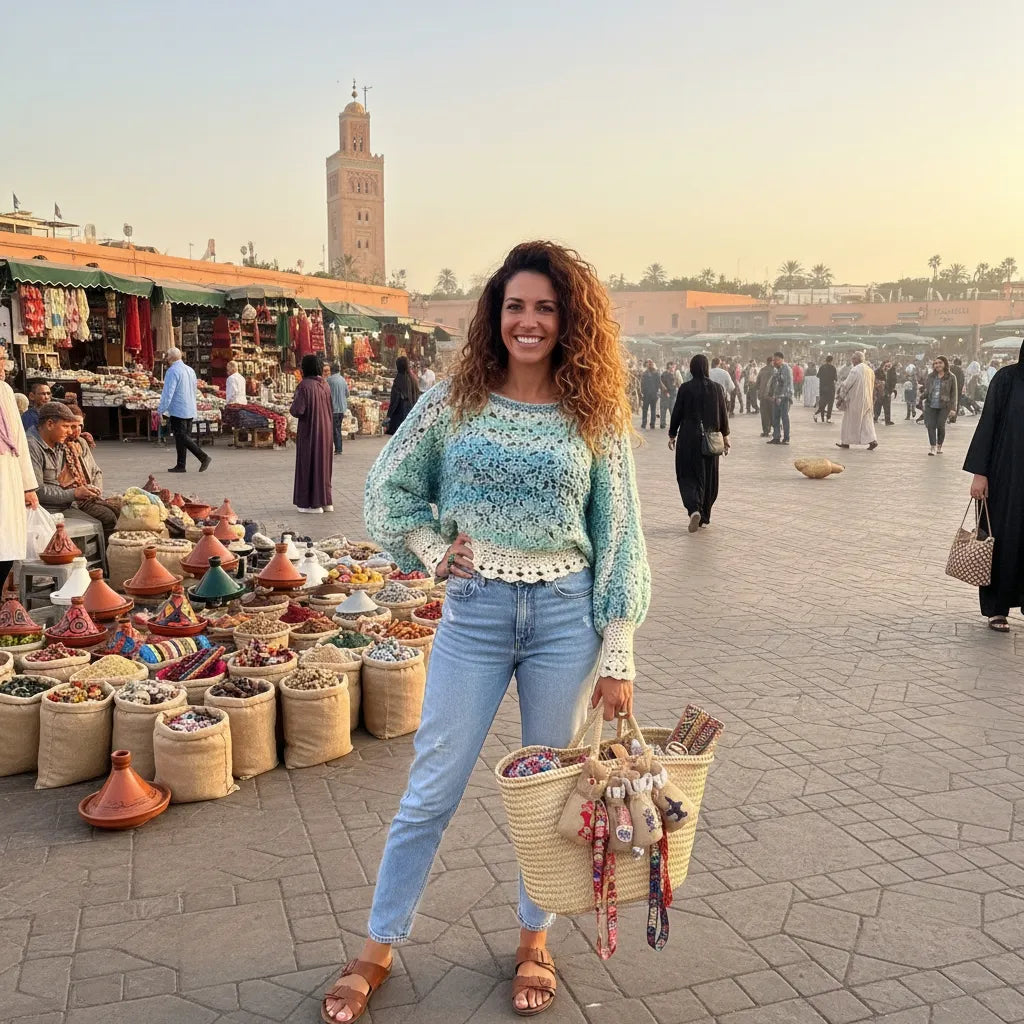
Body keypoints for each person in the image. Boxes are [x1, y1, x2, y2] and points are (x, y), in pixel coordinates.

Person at [334, 241, 650, 1023]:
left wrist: (619, 648)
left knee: (547, 795)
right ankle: (378, 945)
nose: (530, 321)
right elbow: (387, 488)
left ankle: (534, 939)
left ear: (568, 320)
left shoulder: (594, 417)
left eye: (546, 307)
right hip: (474, 617)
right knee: (430, 789)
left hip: (564, 623)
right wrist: (436, 552)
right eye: (516, 306)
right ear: (494, 315)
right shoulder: (454, 401)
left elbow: (620, 536)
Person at [965, 339, 1024, 632]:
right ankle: (997, 609)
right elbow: (987, 423)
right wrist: (979, 473)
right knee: (1000, 538)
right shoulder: (1007, 379)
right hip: (1005, 478)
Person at [668, 353, 730, 532]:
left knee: (687, 474)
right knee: (708, 476)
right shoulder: (717, 388)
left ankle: (693, 508)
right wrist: (725, 437)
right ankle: (704, 514)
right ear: (707, 368)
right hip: (710, 438)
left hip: (688, 437)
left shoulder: (685, 388)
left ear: (691, 368)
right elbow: (723, 414)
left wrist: (672, 434)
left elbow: (677, 412)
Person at [26, 402, 110, 534]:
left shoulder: (59, 443)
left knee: (106, 516)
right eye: (65, 426)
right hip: (43, 510)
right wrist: (74, 493)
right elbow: (37, 491)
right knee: (104, 519)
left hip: (64, 504)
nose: (70, 432)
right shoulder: (31, 446)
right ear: (49, 424)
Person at [0, 374, 39, 593]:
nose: (2, 366)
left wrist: (27, 486)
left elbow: (18, 440)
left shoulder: (3, 391)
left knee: (5, 550)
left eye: (2, 359)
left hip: (6, 478)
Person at [58, 412, 118, 539]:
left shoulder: (81, 443)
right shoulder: (60, 446)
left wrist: (96, 489)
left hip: (89, 495)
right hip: (73, 500)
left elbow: (96, 471)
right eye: (73, 426)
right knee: (108, 517)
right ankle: (106, 552)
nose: (77, 430)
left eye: (80, 425)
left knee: (118, 510)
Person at [290, 354, 334, 514]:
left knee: (308, 465)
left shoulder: (304, 386)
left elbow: (297, 410)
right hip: (326, 431)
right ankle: (326, 501)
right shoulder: (325, 385)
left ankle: (310, 504)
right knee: (323, 466)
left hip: (310, 431)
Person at [159, 348, 210, 474]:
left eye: (167, 357)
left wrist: (161, 409)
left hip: (178, 408)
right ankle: (181, 465)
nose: (166, 359)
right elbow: (194, 389)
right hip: (189, 407)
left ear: (171, 358)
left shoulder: (172, 371)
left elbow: (168, 392)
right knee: (182, 437)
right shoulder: (190, 370)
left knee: (181, 436)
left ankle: (203, 456)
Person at [835, 352, 878, 451]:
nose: (852, 361)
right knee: (866, 422)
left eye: (853, 359)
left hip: (855, 400)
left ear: (857, 360)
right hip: (867, 400)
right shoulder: (869, 370)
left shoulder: (855, 370)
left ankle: (845, 442)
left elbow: (847, 384)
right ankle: (872, 441)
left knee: (849, 421)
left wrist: (840, 396)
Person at [921, 356, 957, 455]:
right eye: (935, 363)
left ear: (945, 364)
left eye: (940, 363)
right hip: (930, 405)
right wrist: (920, 397)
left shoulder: (951, 377)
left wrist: (953, 408)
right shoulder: (930, 376)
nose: (937, 365)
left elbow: (954, 394)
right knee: (930, 426)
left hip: (944, 406)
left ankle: (939, 446)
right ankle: (932, 447)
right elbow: (927, 391)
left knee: (941, 425)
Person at [386, 356, 420, 435]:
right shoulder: (412, 378)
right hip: (411, 412)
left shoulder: (399, 379)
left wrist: (389, 415)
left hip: (400, 414)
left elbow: (395, 400)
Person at [766, 351, 794, 445]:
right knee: (775, 418)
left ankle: (786, 438)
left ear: (782, 359)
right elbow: (775, 384)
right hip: (776, 397)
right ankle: (776, 437)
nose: (775, 362)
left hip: (785, 397)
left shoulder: (786, 369)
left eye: (777, 360)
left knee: (784, 417)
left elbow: (787, 384)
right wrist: (773, 395)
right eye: (774, 360)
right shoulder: (776, 369)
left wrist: (781, 396)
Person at [325, 361, 350, 456]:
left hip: (333, 409)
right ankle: (338, 447)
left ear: (331, 370)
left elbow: (325, 394)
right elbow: (347, 394)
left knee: (334, 429)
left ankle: (338, 448)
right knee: (337, 428)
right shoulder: (343, 380)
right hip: (342, 408)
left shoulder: (329, 380)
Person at [873, 359, 897, 425]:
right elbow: (874, 380)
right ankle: (875, 418)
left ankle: (887, 420)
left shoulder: (892, 372)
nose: (887, 368)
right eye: (886, 366)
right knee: (878, 405)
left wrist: (891, 390)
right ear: (883, 365)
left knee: (887, 406)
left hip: (887, 391)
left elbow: (894, 381)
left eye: (889, 366)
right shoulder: (877, 371)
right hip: (879, 391)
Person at [639, 359, 661, 430]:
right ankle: (646, 424)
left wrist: (657, 392)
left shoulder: (654, 373)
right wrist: (642, 392)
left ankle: (650, 424)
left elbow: (658, 384)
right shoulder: (646, 373)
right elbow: (642, 384)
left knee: (651, 410)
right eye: (649, 364)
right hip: (648, 394)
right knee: (647, 410)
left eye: (650, 364)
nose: (650, 365)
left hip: (651, 394)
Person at [815, 355, 837, 423]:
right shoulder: (833, 368)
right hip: (830, 388)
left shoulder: (822, 367)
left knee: (823, 403)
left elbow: (818, 375)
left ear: (826, 360)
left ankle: (816, 414)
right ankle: (828, 418)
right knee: (830, 403)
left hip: (822, 388)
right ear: (832, 360)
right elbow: (836, 378)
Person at [756, 357, 775, 436]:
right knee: (773, 413)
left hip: (763, 396)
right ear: (771, 362)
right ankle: (776, 431)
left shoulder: (762, 370)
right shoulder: (775, 370)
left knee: (764, 414)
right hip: (772, 397)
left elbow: (757, 384)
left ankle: (766, 431)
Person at [658, 361, 678, 429]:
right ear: (669, 366)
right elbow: (663, 385)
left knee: (671, 410)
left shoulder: (673, 374)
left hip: (671, 395)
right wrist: (666, 392)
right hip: (666, 395)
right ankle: (663, 424)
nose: (674, 368)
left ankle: (668, 424)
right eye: (673, 366)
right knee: (665, 410)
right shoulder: (665, 374)